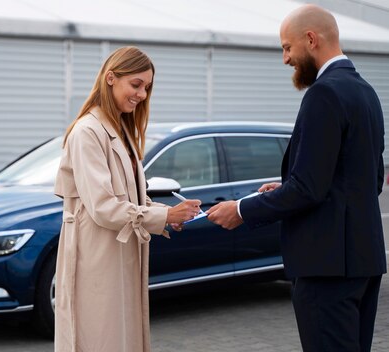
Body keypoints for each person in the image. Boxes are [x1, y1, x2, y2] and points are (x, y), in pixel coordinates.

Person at [206, 4, 386, 351]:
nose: (285, 58)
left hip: (326, 268)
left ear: (311, 39)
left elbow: (309, 189)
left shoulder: (324, 93)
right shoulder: (366, 92)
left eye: (287, 47)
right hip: (363, 263)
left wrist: (242, 209)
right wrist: (290, 186)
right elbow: (368, 179)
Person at [53, 46, 201, 352]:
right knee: (100, 340)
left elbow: (131, 197)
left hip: (120, 256)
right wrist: (165, 217)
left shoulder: (121, 130)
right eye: (136, 85)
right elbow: (104, 206)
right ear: (111, 78)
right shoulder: (88, 132)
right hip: (97, 260)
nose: (142, 95)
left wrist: (170, 212)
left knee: (121, 338)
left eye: (147, 87)